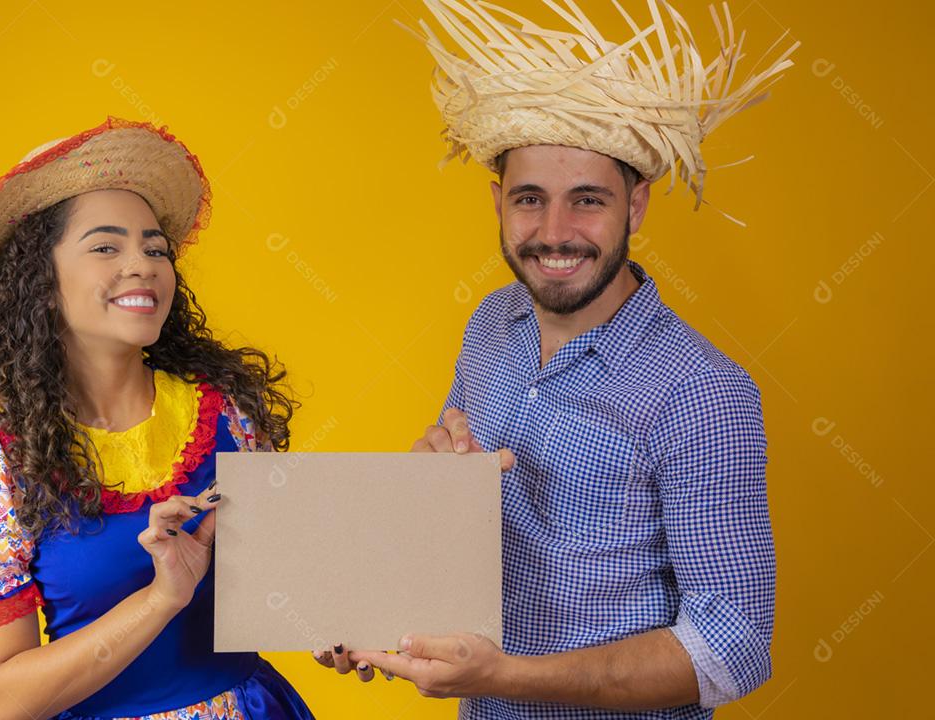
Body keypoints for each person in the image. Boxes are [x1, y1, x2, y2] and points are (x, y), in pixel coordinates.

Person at [317, 1, 799, 718]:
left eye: (588, 201)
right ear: (497, 203)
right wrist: (387, 593)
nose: (554, 232)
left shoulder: (702, 392)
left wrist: (504, 676)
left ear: (636, 207)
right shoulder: (490, 324)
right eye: (530, 200)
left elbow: (732, 648)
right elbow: (457, 520)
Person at [0, 117, 314, 720]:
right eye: (107, 246)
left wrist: (349, 629)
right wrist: (162, 598)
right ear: (42, 282)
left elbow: (294, 586)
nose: (143, 264)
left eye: (154, 247)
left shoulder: (229, 414)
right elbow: (4, 701)